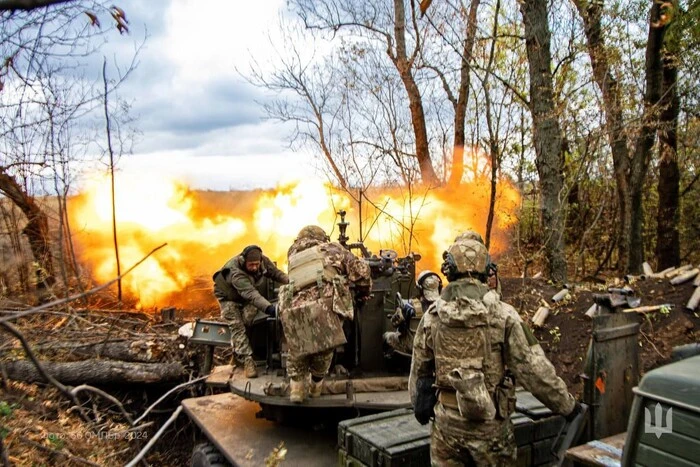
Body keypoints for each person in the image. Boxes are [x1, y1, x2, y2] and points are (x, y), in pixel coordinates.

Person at [409, 238, 581, 465]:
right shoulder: (503, 315)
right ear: (486, 270)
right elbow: (534, 371)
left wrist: (420, 406)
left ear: (449, 270)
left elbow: (418, 374)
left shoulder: (432, 316)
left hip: (446, 431)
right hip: (490, 432)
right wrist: (568, 407)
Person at [277, 225, 371, 403]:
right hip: (324, 303)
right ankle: (316, 384)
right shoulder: (333, 248)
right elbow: (361, 272)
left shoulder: (292, 253)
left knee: (298, 347)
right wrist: (364, 290)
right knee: (324, 345)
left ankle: (296, 388)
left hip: (293, 306)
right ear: (322, 238)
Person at [213, 245, 289, 378]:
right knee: (238, 327)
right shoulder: (235, 272)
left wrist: (292, 282)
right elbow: (251, 294)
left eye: (256, 264)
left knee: (250, 319)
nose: (254, 268)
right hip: (229, 298)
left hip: (245, 297)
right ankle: (247, 360)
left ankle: (237, 353)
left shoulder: (263, 261)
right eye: (251, 265)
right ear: (243, 262)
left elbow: (275, 273)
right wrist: (270, 308)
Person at [383, 270, 442, 355]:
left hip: (413, 346)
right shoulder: (443, 306)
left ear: (419, 289)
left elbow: (395, 323)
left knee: (386, 336)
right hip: (435, 346)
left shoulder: (410, 307)